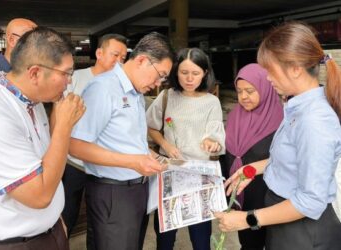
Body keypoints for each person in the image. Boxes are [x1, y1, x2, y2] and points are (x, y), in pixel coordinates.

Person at [214, 22, 341, 250]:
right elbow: (290, 158)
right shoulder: (296, 107)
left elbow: (310, 201)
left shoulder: (314, 120)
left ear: (294, 68)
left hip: (303, 230)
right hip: (286, 219)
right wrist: (251, 169)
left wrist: (247, 219)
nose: (268, 79)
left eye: (270, 70)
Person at [69, 32, 175, 250]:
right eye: (159, 75)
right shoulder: (103, 88)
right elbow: (76, 145)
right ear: (142, 60)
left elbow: (129, 141)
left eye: (162, 79)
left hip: (136, 190)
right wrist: (132, 162)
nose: (157, 84)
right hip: (112, 193)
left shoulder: (135, 92)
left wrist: (156, 158)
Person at [0, 27, 85, 250]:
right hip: (17, 243)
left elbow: (46, 160)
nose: (69, 82)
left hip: (50, 232)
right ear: (34, 73)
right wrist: (63, 126)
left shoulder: (34, 100)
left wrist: (56, 221)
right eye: (66, 73)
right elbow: (39, 195)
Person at [146, 47, 225, 250]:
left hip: (199, 175)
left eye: (196, 73)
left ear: (205, 73)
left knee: (201, 238)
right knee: (164, 236)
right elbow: (151, 127)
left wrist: (212, 143)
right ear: (176, 72)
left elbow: (216, 137)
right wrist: (165, 144)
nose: (189, 79)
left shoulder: (212, 102)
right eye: (184, 72)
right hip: (170, 172)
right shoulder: (166, 97)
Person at [61, 33, 128, 238]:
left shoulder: (123, 84)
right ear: (99, 53)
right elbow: (61, 115)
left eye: (123, 58)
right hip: (74, 163)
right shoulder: (76, 78)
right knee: (67, 215)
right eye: (115, 55)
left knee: (98, 221)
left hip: (104, 166)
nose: (119, 62)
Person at [219, 63, 283, 250]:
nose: (243, 97)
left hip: (270, 198)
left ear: (265, 88)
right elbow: (228, 155)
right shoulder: (234, 116)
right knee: (248, 244)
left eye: (250, 90)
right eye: (239, 91)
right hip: (243, 196)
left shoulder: (280, 121)